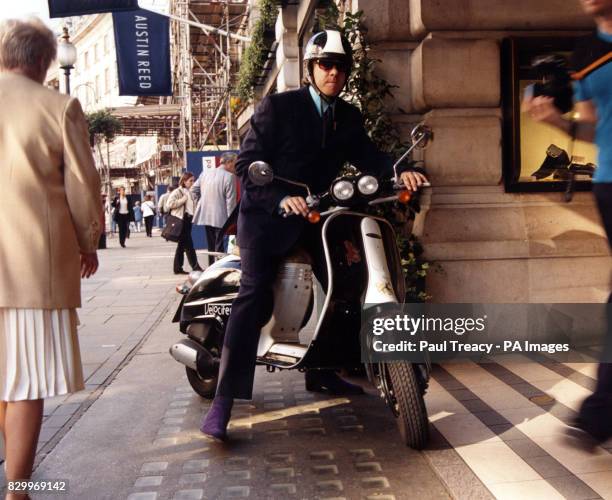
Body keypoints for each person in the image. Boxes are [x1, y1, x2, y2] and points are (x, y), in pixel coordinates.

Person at [200, 30, 428, 441]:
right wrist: (280, 198)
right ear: (310, 69)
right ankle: (223, 399)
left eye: (341, 67)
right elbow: (247, 163)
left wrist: (398, 171)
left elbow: (370, 157)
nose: (333, 73)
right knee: (253, 295)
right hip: (267, 218)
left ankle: (322, 372)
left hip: (316, 217)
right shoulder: (277, 107)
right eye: (326, 65)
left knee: (348, 281)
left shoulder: (348, 118)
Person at [0, 18, 102, 499]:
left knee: (5, 378)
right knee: (25, 382)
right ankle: (17, 491)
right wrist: (88, 242)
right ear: (44, 62)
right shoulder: (58, 107)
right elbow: (82, 187)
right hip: (30, 268)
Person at [523, 0, 612, 447]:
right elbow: (594, 127)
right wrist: (556, 121)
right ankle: (598, 414)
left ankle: (599, 414)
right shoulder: (584, 54)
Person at [192, 152, 238, 265]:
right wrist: (233, 221)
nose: (236, 167)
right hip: (222, 218)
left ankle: (211, 267)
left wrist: (201, 203)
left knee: (211, 246)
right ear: (229, 162)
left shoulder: (205, 173)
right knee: (220, 247)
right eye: (235, 164)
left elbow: (193, 190)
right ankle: (220, 268)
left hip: (206, 215)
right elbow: (230, 201)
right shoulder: (230, 177)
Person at [166, 172, 203, 275]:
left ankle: (178, 268)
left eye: (193, 180)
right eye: (190, 180)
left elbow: (192, 206)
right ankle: (195, 267)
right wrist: (183, 199)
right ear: (184, 181)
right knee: (189, 245)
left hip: (187, 220)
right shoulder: (178, 191)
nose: (193, 182)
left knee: (182, 245)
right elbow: (169, 204)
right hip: (181, 220)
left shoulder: (189, 191)